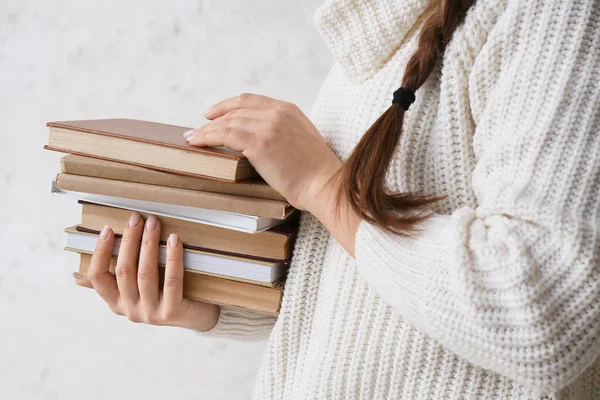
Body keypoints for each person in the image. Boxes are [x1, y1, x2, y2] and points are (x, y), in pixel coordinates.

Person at [76, 0, 600, 398]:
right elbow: (365, 293)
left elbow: (543, 312)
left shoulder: (553, 16)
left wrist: (324, 186)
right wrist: (207, 306)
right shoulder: (377, 34)